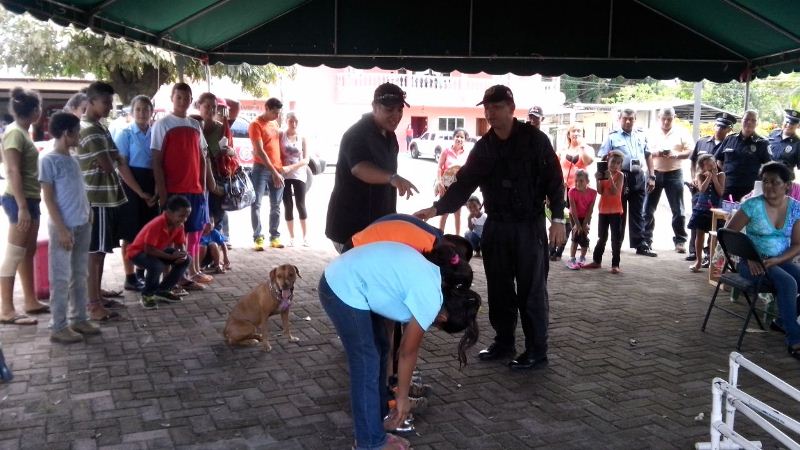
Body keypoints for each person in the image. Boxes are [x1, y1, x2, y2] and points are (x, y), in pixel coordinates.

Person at [415, 84, 566, 371]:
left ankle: (537, 350)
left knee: (532, 291)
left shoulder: (535, 140)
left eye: (496, 107)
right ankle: (504, 342)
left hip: (529, 226)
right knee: (499, 289)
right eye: (487, 108)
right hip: (496, 226)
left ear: (511, 108)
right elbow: (464, 184)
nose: (491, 113)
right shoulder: (484, 147)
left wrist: (558, 220)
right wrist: (436, 209)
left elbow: (555, 182)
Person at [319, 241, 480, 450]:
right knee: (367, 364)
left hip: (345, 277)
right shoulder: (431, 298)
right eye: (437, 326)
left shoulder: (434, 277)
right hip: (342, 287)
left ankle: (375, 426)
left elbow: (388, 300)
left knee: (380, 349)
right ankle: (369, 443)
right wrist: (402, 397)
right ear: (442, 318)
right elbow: (407, 352)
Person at [77, 81, 152, 321]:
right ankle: (93, 304)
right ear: (90, 102)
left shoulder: (100, 128)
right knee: (95, 252)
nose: (110, 107)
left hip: (105, 198)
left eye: (111, 102)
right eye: (106, 102)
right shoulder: (90, 130)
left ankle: (96, 295)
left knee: (100, 250)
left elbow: (117, 158)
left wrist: (111, 157)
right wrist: (111, 158)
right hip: (96, 199)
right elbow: (111, 164)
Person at [326, 83, 418, 253]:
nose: (396, 115)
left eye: (399, 110)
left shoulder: (390, 136)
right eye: (389, 109)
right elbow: (359, 168)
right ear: (375, 107)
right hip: (351, 229)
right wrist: (392, 178)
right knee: (360, 270)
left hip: (376, 227)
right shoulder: (357, 134)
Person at [726, 162, 800, 360]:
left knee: (790, 279)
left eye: (775, 182)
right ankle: (795, 340)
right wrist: (749, 256)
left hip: (780, 261)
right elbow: (729, 235)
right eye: (765, 181)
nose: (768, 186)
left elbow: (797, 244)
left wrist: (777, 260)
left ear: (787, 185)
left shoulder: (796, 208)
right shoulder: (752, 205)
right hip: (752, 263)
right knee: (788, 283)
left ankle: (783, 322)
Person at [39, 112, 100, 343]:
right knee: (61, 278)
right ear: (67, 133)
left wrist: (89, 210)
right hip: (63, 227)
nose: (79, 137)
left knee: (80, 274)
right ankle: (58, 326)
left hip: (82, 223)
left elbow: (79, 189)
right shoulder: (49, 160)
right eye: (77, 132)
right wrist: (62, 229)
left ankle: (79, 318)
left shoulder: (73, 158)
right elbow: (49, 198)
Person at [151, 83, 218, 290]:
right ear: (172, 98)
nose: (182, 101)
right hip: (174, 191)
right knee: (170, 239)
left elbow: (203, 158)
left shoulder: (195, 125)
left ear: (191, 100)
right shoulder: (162, 124)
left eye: (186, 97)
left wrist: (205, 186)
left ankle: (183, 276)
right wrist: (163, 194)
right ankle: (168, 280)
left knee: (189, 236)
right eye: (178, 97)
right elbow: (156, 160)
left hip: (195, 190)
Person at [0, 87, 49, 326]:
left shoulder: (22, 132)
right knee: (14, 253)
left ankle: (30, 300)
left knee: (27, 251)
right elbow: (12, 170)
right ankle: (6, 310)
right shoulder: (14, 133)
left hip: (30, 199)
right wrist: (21, 206)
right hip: (19, 200)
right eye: (39, 107)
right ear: (34, 110)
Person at [113, 95, 158, 292]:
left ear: (151, 112)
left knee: (147, 233)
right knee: (130, 234)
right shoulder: (125, 134)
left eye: (146, 109)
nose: (142, 113)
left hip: (151, 185)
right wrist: (139, 192)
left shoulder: (155, 133)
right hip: (131, 186)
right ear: (132, 112)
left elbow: (158, 163)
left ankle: (141, 272)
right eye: (138, 109)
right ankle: (130, 277)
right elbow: (122, 166)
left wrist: (155, 190)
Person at [598, 108, 656, 257]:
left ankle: (640, 244)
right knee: (619, 212)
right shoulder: (612, 137)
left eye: (631, 119)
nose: (628, 121)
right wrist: (603, 180)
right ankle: (617, 243)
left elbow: (648, 155)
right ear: (620, 119)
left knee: (638, 212)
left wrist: (652, 176)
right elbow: (603, 158)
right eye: (625, 118)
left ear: (635, 119)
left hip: (638, 176)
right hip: (620, 176)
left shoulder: (641, 135)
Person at [686, 112, 736, 264]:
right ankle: (695, 254)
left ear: (729, 129)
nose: (720, 129)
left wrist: (714, 176)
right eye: (718, 126)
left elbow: (721, 188)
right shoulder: (702, 142)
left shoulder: (729, 144)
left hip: (715, 201)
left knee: (713, 232)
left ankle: (710, 257)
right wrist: (695, 177)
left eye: (724, 127)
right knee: (698, 228)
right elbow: (693, 162)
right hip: (700, 196)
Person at [126, 195, 192, 309]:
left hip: (155, 251)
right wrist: (170, 257)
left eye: (186, 216)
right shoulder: (157, 224)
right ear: (169, 212)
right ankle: (147, 295)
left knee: (186, 260)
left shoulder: (179, 225)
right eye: (181, 216)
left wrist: (182, 254)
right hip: (137, 253)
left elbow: (180, 243)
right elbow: (148, 249)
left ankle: (163, 290)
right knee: (157, 266)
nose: (184, 219)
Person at [642, 107, 693, 254]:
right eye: (663, 119)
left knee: (678, 209)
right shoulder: (650, 132)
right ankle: (646, 240)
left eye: (669, 119)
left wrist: (676, 154)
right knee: (648, 209)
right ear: (659, 118)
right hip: (653, 172)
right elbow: (644, 152)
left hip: (674, 172)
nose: (666, 122)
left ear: (674, 118)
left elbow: (690, 151)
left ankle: (680, 240)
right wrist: (656, 153)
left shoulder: (682, 132)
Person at [552, 123, 594, 260]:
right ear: (568, 134)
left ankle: (568, 250)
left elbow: (587, 162)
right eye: (573, 131)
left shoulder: (587, 148)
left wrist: (581, 147)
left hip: (580, 191)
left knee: (576, 221)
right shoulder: (563, 149)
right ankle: (555, 247)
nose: (576, 133)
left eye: (579, 131)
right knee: (562, 218)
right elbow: (555, 167)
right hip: (564, 189)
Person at [248, 98, 285, 250]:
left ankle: (274, 236)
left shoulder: (274, 123)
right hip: (261, 169)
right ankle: (258, 237)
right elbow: (260, 151)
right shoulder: (255, 124)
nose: (277, 116)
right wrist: (274, 172)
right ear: (267, 108)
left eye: (278, 113)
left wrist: (279, 170)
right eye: (274, 112)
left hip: (277, 168)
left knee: (276, 205)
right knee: (256, 203)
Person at [583, 151, 625, 273]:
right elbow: (600, 191)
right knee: (602, 237)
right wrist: (597, 180)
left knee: (615, 238)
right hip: (603, 210)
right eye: (613, 162)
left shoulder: (620, 175)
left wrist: (610, 177)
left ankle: (615, 264)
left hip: (616, 211)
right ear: (608, 162)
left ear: (620, 165)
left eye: (618, 163)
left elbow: (615, 192)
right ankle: (597, 261)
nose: (615, 165)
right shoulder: (603, 174)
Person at [716, 110, 770, 202]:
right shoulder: (730, 139)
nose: (749, 122)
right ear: (741, 121)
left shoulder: (762, 143)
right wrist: (726, 172)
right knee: (725, 211)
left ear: (757, 123)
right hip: (728, 187)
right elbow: (719, 159)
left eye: (753, 120)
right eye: (746, 119)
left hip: (750, 191)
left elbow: (768, 167)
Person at [688, 154, 724, 273]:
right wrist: (708, 178)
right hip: (702, 208)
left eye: (713, 163)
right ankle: (698, 260)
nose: (712, 166)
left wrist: (714, 178)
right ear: (702, 167)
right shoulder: (700, 176)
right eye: (708, 164)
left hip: (715, 210)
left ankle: (711, 261)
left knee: (713, 236)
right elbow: (702, 189)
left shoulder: (721, 175)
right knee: (700, 235)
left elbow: (720, 192)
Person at [280, 111, 310, 246]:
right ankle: (291, 237)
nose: (294, 124)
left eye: (296, 121)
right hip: (284, 175)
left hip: (299, 174)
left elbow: (306, 159)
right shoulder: (281, 135)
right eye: (291, 121)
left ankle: (305, 237)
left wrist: (291, 167)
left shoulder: (302, 137)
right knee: (288, 205)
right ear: (286, 121)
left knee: (300, 204)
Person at [436, 128, 470, 235]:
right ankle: (439, 237)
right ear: (453, 138)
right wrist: (439, 182)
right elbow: (439, 167)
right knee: (444, 213)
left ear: (465, 140)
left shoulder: (466, 153)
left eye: (462, 137)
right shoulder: (446, 151)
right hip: (445, 187)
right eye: (457, 136)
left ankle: (457, 238)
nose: (459, 139)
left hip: (459, 188)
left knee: (457, 214)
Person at [566, 170, 597, 270]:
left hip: (586, 216)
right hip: (574, 216)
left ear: (587, 181)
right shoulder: (571, 191)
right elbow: (573, 210)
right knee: (575, 235)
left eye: (581, 181)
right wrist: (578, 225)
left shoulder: (593, 192)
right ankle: (571, 259)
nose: (578, 183)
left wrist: (584, 224)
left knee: (584, 235)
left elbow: (590, 209)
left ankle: (582, 258)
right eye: (576, 181)